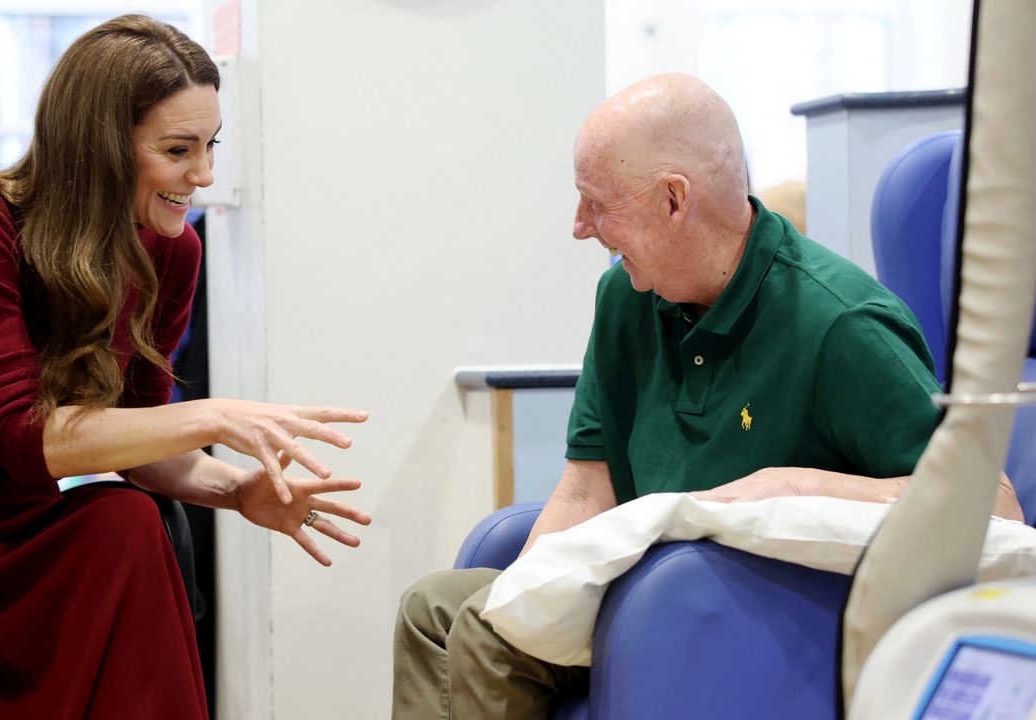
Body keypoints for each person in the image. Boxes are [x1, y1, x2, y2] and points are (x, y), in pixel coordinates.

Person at [390, 73, 1023, 719]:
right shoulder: (626, 297)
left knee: (486, 634)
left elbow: (993, 508)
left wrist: (796, 486)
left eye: (597, 202)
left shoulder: (839, 322)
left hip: (745, 608)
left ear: (673, 200)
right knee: (434, 607)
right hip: (634, 585)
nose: (582, 227)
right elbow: (588, 486)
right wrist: (530, 591)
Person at [0, 15, 370, 719]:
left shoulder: (171, 253)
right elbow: (25, 439)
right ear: (102, 145)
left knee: (126, 515)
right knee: (123, 525)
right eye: (179, 149)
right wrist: (209, 415)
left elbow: (143, 453)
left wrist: (239, 493)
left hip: (24, 538)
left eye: (210, 146)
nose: (202, 175)